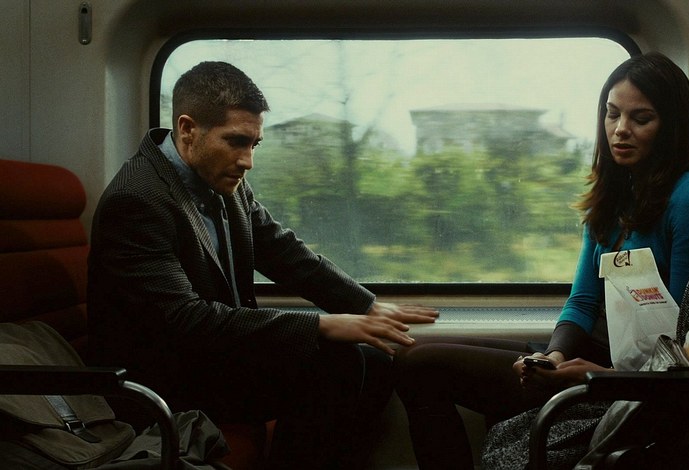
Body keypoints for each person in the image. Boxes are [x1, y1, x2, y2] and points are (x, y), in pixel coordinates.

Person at [86, 61, 439, 469]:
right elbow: (185, 321)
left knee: (375, 361)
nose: (247, 160)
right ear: (187, 129)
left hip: (212, 359)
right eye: (236, 141)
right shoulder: (136, 201)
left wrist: (365, 305)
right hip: (165, 381)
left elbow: (279, 248)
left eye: (254, 144)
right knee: (333, 363)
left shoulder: (220, 176)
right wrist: (321, 325)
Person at [393, 51, 689, 469]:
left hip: (629, 380)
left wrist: (595, 376)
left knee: (420, 366)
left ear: (672, 127)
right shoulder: (615, 196)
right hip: (587, 357)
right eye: (612, 114)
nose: (620, 129)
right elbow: (583, 301)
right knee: (412, 354)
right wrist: (553, 357)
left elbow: (680, 344)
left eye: (641, 119)